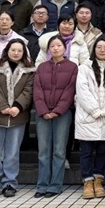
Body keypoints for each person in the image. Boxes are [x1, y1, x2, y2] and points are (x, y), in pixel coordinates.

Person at [0, 39, 35, 199]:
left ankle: (9, 183)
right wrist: (2, 106)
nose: (16, 53)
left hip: (18, 117)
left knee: (12, 153)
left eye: (19, 50)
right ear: (7, 51)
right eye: (13, 50)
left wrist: (17, 106)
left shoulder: (29, 70)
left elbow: (29, 90)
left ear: (24, 53)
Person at [76, 37, 105, 199]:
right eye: (99, 47)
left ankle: (98, 179)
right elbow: (82, 91)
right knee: (86, 151)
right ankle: (87, 181)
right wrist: (94, 110)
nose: (102, 50)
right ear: (94, 49)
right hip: (87, 116)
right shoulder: (84, 68)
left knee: (103, 150)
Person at [33, 35, 78, 198]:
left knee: (59, 150)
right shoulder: (42, 67)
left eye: (59, 45)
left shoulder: (72, 67)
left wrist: (57, 110)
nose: (55, 48)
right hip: (42, 113)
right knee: (43, 151)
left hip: (63, 113)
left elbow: (70, 91)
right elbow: (37, 90)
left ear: (64, 48)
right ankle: (42, 185)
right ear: (48, 49)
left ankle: (55, 185)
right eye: (52, 46)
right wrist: (43, 110)